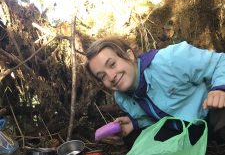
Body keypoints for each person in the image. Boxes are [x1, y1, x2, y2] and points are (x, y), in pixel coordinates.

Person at [85, 37, 225, 143]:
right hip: (184, 131)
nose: (111, 76)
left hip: (210, 111)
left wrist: (219, 88)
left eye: (112, 64)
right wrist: (134, 123)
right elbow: (154, 115)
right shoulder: (121, 98)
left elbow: (220, 61)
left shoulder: (170, 59)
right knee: (134, 140)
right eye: (102, 76)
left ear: (129, 55)